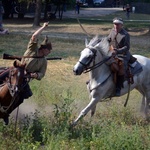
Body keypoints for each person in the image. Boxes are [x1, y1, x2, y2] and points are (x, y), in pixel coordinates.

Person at [3, 22, 52, 125]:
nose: (49, 52)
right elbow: (34, 36)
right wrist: (43, 27)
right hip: (16, 71)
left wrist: (36, 75)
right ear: (43, 48)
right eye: (48, 50)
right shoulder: (32, 48)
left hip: (25, 78)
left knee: (23, 96)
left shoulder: (44, 61)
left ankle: (6, 114)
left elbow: (42, 74)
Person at [108, 17, 136, 96]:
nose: (116, 25)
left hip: (123, 55)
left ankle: (118, 88)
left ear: (121, 25)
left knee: (121, 66)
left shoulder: (126, 34)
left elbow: (127, 47)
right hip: (112, 53)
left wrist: (118, 51)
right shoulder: (112, 31)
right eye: (115, 24)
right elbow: (108, 40)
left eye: (118, 24)